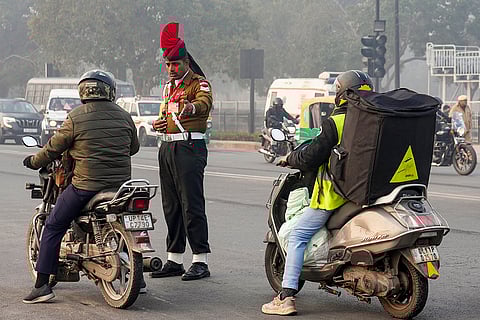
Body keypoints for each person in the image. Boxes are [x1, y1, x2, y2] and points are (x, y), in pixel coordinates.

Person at [261, 70, 374, 316]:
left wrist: (290, 158)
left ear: (342, 94)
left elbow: (313, 154)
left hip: (336, 194)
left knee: (299, 234)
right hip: (369, 192)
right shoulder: (374, 120)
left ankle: (286, 296)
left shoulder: (338, 121)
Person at [22, 70, 140, 304]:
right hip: (119, 187)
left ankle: (42, 285)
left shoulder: (76, 117)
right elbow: (133, 148)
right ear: (110, 91)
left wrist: (33, 161)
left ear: (83, 91)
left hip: (86, 187)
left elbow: (53, 148)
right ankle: (140, 281)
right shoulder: (125, 116)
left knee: (54, 224)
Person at [150, 22, 213, 281]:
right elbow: (164, 114)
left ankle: (200, 259)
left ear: (186, 61)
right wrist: (158, 124)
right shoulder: (168, 87)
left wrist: (192, 109)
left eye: (175, 64)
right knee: (171, 205)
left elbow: (203, 104)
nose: (171, 69)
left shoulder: (200, 84)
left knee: (192, 204)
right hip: (167, 146)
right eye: (168, 65)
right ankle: (174, 258)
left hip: (190, 147)